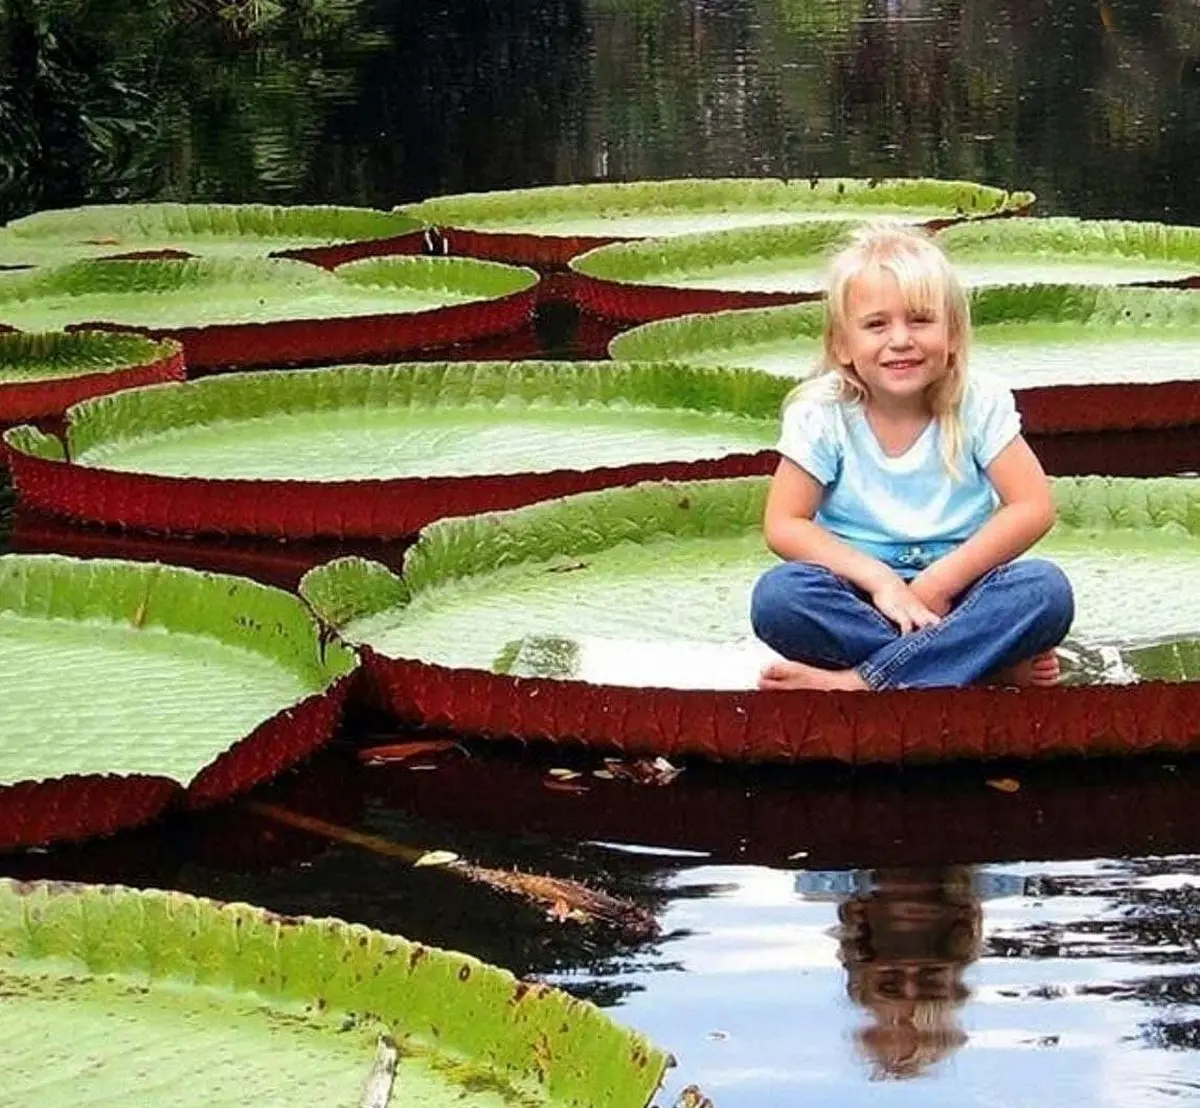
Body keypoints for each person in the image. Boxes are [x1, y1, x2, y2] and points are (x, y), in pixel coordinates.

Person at [750, 222, 1074, 691]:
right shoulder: (821, 413)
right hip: (860, 597)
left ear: (954, 334)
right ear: (842, 344)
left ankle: (862, 682)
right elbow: (785, 524)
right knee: (779, 598)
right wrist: (882, 582)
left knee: (1045, 590)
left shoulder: (978, 402)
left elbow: (1032, 506)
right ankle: (976, 664)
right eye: (876, 324)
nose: (900, 339)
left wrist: (937, 586)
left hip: (963, 589)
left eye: (920, 320)